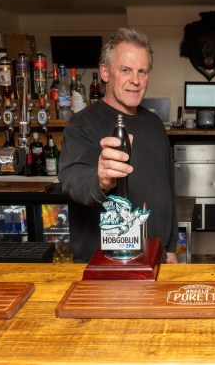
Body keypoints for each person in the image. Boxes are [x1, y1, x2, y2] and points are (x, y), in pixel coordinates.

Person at [58, 27, 178, 263]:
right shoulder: (82, 125)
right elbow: (72, 181)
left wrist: (170, 246)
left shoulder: (154, 122)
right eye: (126, 70)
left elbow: (168, 186)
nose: (136, 80)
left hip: (156, 256)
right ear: (105, 72)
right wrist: (101, 179)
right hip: (105, 262)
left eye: (142, 71)